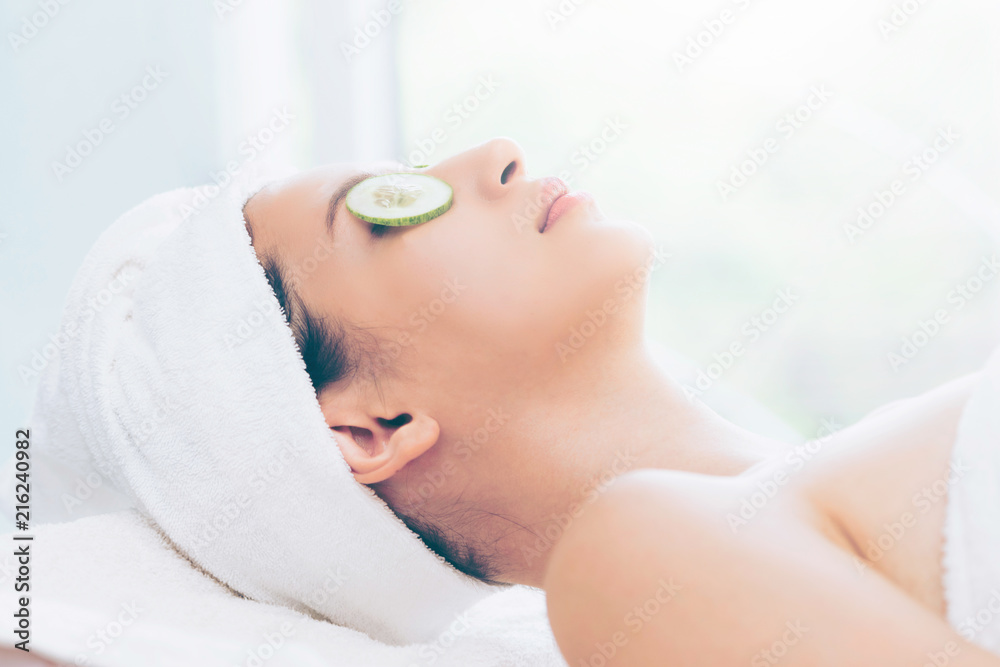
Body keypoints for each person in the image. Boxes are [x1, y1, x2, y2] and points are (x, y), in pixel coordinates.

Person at [242, 137, 1000, 665]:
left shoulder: (855, 467)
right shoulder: (634, 556)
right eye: (384, 208)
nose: (496, 153)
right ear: (376, 429)